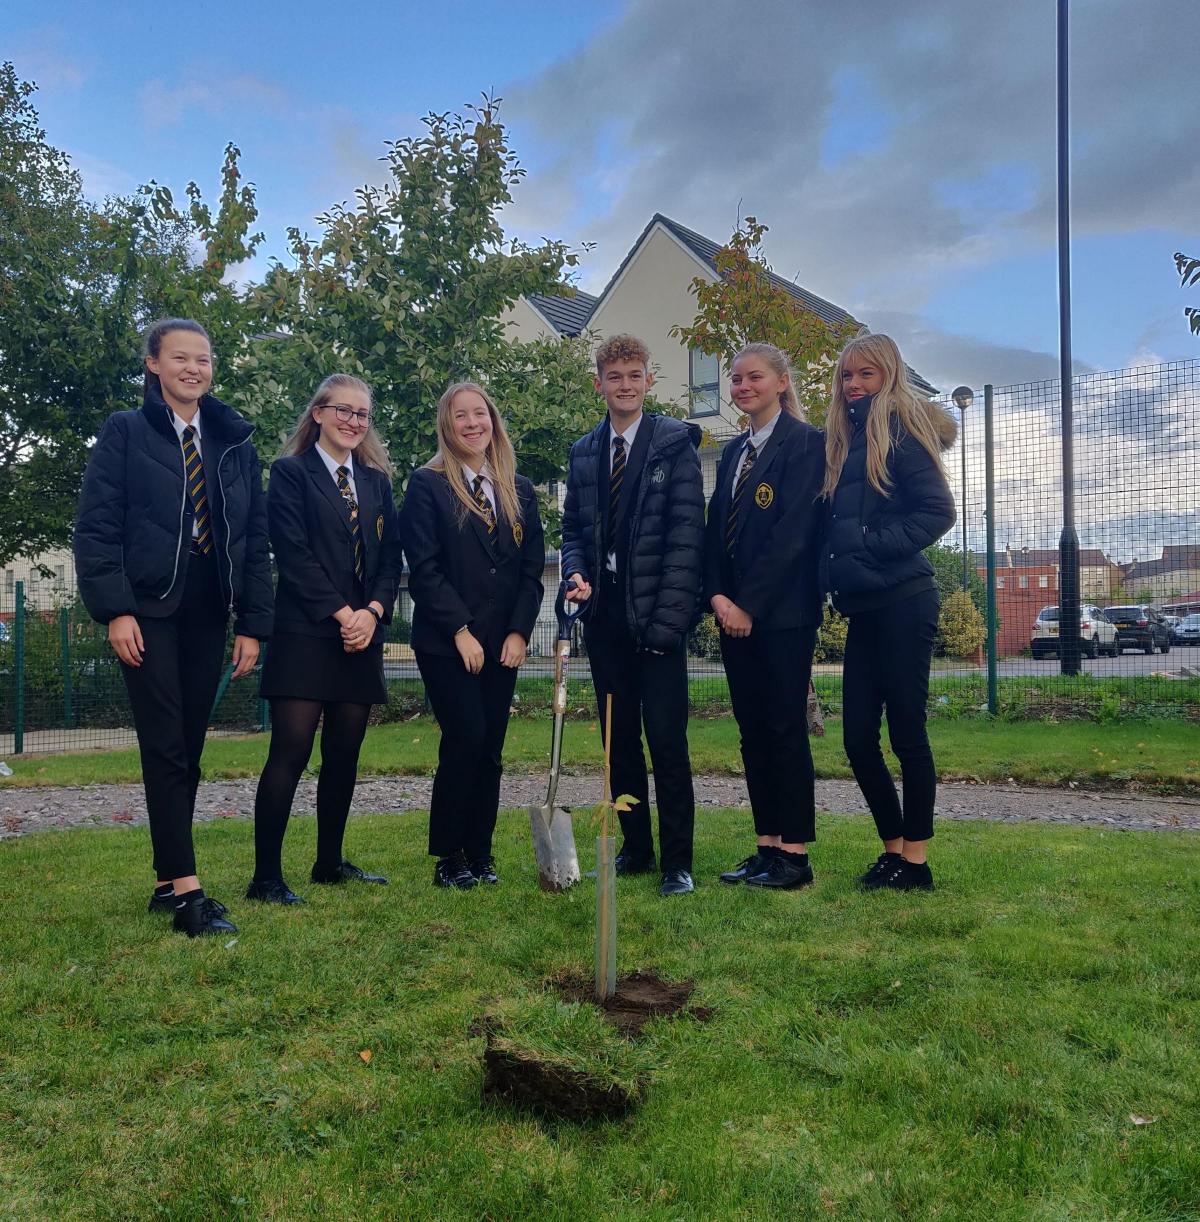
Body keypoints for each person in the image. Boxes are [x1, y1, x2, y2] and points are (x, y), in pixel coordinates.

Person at [74, 318, 273, 937]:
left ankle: (166, 879)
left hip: (209, 610)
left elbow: (254, 540)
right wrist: (117, 609)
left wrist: (252, 625)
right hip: (148, 610)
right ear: (154, 364)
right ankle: (188, 893)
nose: (194, 368)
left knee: (187, 747)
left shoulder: (234, 443)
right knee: (163, 742)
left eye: (204, 359)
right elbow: (97, 528)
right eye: (180, 358)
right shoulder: (126, 433)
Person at [247, 374, 401, 904]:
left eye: (363, 414)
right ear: (318, 413)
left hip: (362, 636)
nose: (354, 421)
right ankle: (266, 876)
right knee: (289, 753)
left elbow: (389, 561)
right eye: (344, 410)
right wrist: (344, 615)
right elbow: (293, 556)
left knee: (344, 754)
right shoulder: (289, 474)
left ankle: (329, 863)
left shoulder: (377, 482)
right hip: (307, 634)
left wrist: (373, 613)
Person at [561, 334, 704, 897]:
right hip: (606, 619)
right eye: (614, 376)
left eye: (634, 375)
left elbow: (687, 541)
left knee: (666, 741)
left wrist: (669, 625)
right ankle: (636, 848)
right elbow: (573, 531)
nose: (624, 385)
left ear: (649, 381)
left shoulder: (675, 445)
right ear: (599, 384)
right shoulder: (583, 452)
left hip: (659, 620)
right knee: (618, 742)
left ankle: (677, 862)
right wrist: (574, 572)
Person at [821, 333, 957, 891]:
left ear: (889, 376)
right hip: (865, 607)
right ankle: (893, 849)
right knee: (856, 739)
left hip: (905, 601)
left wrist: (872, 544)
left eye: (866, 375)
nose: (854, 385)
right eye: (847, 376)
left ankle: (917, 863)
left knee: (907, 734)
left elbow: (938, 511)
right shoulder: (844, 439)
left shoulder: (901, 432)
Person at [400, 382, 544, 888]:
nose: (471, 423)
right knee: (465, 738)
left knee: (490, 748)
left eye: (479, 414)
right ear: (447, 424)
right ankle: (450, 856)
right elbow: (424, 569)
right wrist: (459, 630)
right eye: (460, 416)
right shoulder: (428, 484)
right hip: (448, 643)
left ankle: (481, 853)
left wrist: (519, 633)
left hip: (502, 643)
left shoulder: (518, 488)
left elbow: (530, 571)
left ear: (492, 420)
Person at [703, 343, 825, 890]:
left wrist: (749, 603)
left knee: (783, 728)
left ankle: (795, 855)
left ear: (781, 381)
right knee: (752, 732)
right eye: (735, 379)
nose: (742, 387)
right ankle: (766, 846)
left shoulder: (806, 445)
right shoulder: (733, 453)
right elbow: (715, 534)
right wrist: (719, 598)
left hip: (783, 616)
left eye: (754, 377)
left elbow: (793, 535)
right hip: (733, 616)